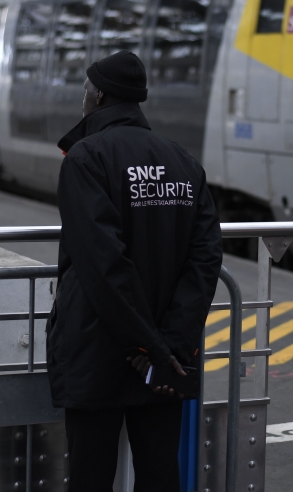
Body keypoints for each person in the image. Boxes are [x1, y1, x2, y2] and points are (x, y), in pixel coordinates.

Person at [46, 50, 223, 492]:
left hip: (98, 350)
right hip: (166, 361)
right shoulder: (182, 161)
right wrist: (172, 347)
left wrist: (149, 345)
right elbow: (205, 259)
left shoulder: (86, 159)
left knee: (91, 475)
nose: (83, 98)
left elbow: (103, 264)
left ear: (100, 96)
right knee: (160, 473)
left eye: (86, 90)